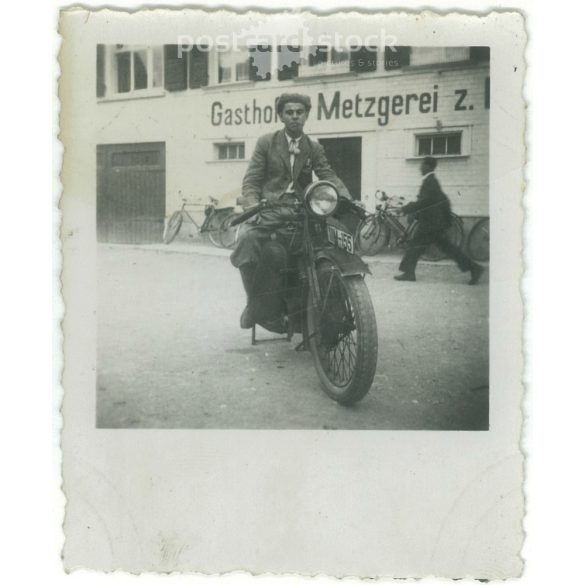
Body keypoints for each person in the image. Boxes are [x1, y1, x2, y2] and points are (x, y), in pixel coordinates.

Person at [230, 93, 352, 329]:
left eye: (299, 112)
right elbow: (252, 181)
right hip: (270, 210)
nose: (295, 117)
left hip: (301, 212)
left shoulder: (313, 148)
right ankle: (253, 305)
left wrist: (346, 198)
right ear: (281, 116)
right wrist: (253, 206)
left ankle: (331, 311)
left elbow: (328, 175)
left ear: (306, 115)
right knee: (247, 241)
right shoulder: (267, 142)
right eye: (289, 112)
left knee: (335, 242)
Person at [394, 156, 484, 285]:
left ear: (428, 167)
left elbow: (424, 202)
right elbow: (436, 202)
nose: (420, 167)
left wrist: (405, 209)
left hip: (431, 224)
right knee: (448, 249)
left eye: (422, 165)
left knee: (415, 245)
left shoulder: (430, 182)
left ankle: (409, 273)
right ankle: (474, 268)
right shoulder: (431, 181)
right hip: (434, 223)